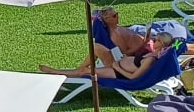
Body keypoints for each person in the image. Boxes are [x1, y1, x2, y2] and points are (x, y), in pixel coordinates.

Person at [40, 33, 175, 80]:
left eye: (156, 40)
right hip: (118, 63)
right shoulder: (153, 54)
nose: (153, 40)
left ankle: (55, 72)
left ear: (161, 44)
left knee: (87, 67)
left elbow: (133, 77)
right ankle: (61, 72)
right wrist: (124, 58)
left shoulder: (151, 59)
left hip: (117, 71)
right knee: (96, 49)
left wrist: (118, 67)